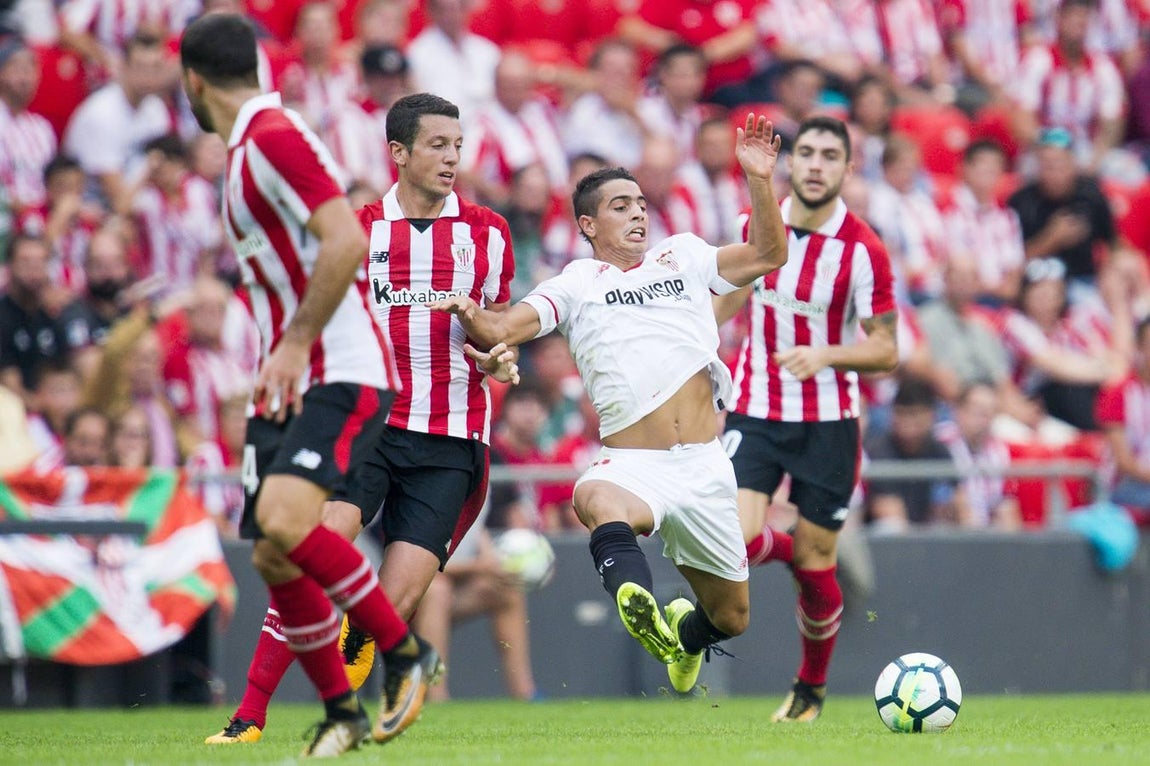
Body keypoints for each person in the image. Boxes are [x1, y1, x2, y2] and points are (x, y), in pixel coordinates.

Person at [430, 113, 787, 694]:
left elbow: (770, 253)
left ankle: (684, 638)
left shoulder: (686, 257)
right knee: (593, 495)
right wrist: (473, 315)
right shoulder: (577, 282)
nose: (639, 213)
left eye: (641, 203)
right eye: (621, 206)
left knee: (731, 618)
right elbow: (505, 325)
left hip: (702, 461)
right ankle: (636, 595)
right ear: (588, 224)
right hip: (634, 464)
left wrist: (760, 180)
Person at [203, 92, 518, 746]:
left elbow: (498, 330)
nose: (451, 157)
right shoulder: (358, 229)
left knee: (391, 603)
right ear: (397, 153)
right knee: (313, 545)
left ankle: (351, 700)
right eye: (437, 145)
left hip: (450, 440)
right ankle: (250, 714)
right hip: (370, 428)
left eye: (457, 146)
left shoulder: (488, 232)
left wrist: (497, 357)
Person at [179, 14, 432, 757]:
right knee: (272, 553)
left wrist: (291, 343)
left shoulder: (272, 139)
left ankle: (408, 654)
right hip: (287, 377)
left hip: (336, 366)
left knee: (291, 526)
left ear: (194, 80)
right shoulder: (245, 148)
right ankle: (341, 712)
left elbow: (346, 237)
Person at [713, 115, 898, 722]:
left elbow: (886, 349)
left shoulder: (864, 250)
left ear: (848, 169)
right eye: (808, 153)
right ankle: (791, 548)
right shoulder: (753, 225)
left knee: (819, 565)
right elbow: (724, 307)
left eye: (830, 156)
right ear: (790, 164)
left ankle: (810, 688)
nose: (816, 164)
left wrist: (827, 352)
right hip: (756, 407)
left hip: (830, 418)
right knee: (734, 541)